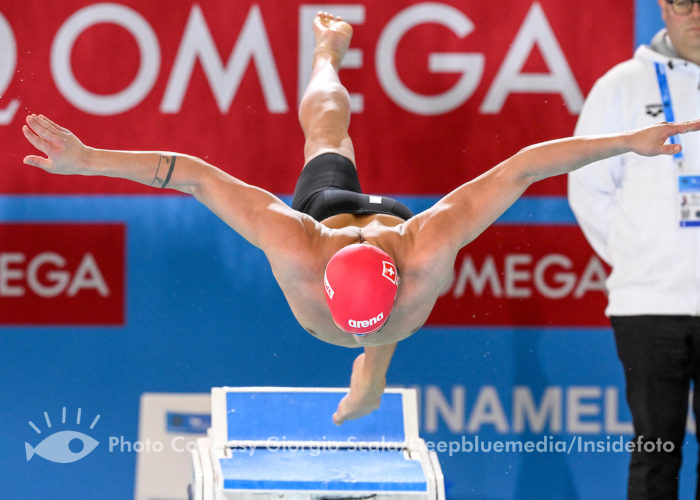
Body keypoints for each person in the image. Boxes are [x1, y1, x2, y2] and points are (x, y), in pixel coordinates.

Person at [22, 13, 700, 428]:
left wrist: (627, 141)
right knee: (326, 134)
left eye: (369, 329)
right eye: (359, 330)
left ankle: (371, 375)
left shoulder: (424, 244)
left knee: (329, 149)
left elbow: (525, 164)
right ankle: (327, 54)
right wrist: (87, 160)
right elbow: (193, 174)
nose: (357, 331)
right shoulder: (296, 240)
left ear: (401, 278)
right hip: (336, 224)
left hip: (391, 236)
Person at [568, 1, 700, 498]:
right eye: (684, 0)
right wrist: (638, 257)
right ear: (664, 7)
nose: (696, 13)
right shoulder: (621, 85)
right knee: (655, 452)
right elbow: (589, 189)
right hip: (647, 305)